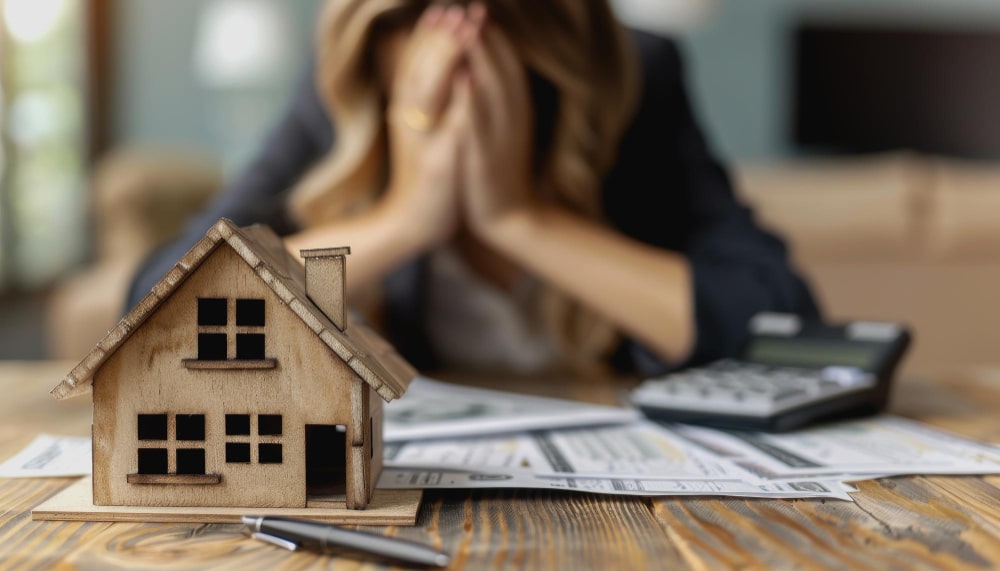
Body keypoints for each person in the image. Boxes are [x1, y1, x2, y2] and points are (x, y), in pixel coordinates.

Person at [127, 0, 819, 375]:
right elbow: (154, 315)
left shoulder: (637, 76)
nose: (453, 124)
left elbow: (784, 324)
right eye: (427, 107)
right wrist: (401, 220)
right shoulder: (349, 83)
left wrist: (521, 217)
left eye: (480, 99)